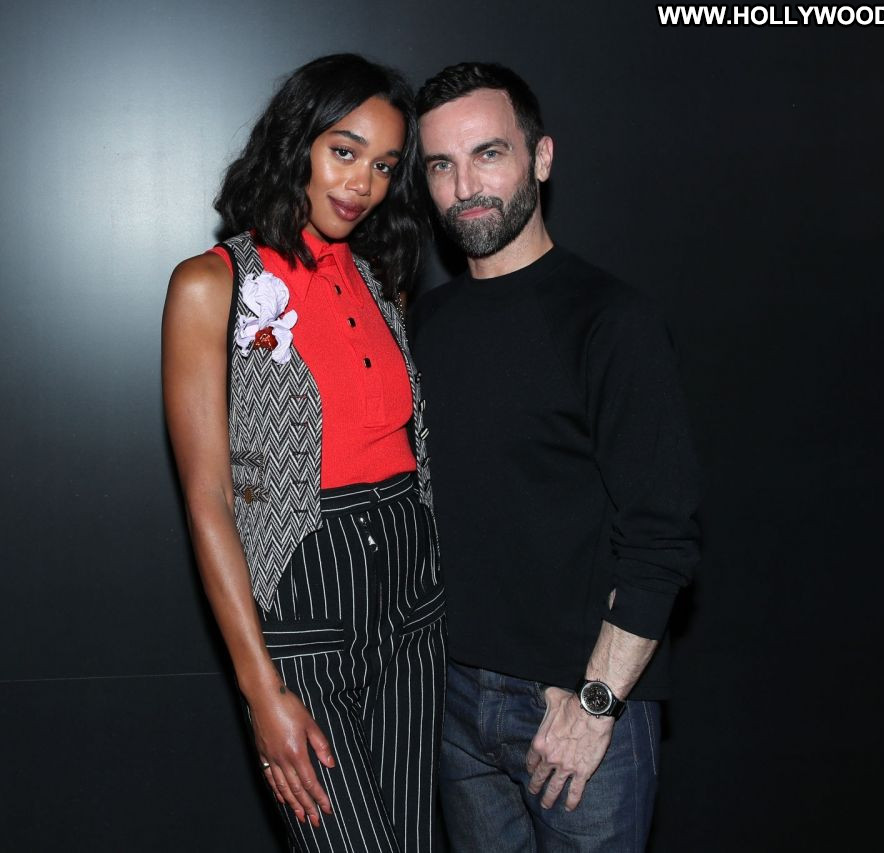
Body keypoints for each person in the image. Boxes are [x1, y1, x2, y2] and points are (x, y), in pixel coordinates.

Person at [410, 62, 702, 852]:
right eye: (441, 165)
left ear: (541, 157)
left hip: (574, 707)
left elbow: (662, 537)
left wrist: (597, 701)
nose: (465, 186)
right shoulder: (421, 327)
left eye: (489, 154)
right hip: (453, 706)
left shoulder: (611, 321)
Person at [161, 54, 444, 853]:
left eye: (384, 165)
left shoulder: (383, 280)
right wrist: (260, 689)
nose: (362, 183)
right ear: (297, 143)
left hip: (414, 605)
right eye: (344, 151)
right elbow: (208, 501)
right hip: (303, 602)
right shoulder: (210, 285)